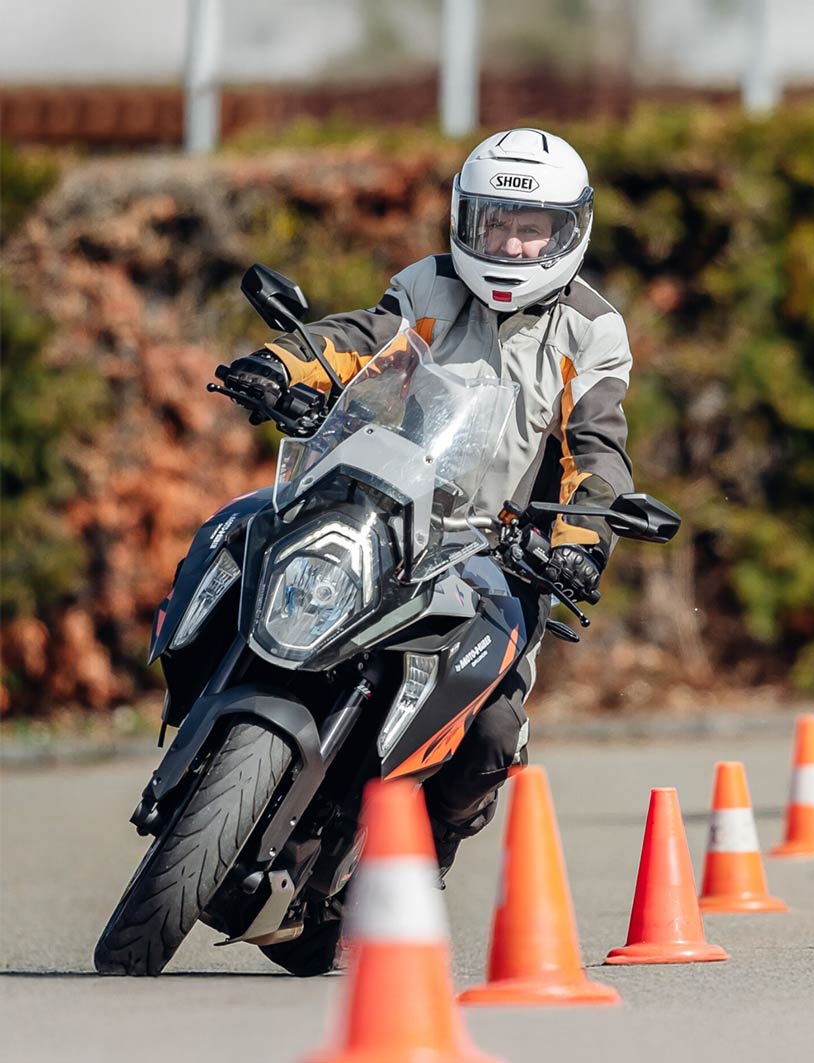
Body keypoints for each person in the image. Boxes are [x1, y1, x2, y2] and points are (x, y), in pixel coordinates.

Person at [215, 127, 633, 873]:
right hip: (384, 510)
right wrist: (284, 367)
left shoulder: (591, 329)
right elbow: (361, 339)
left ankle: (422, 856)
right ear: (464, 218)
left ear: (568, 230)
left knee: (494, 723)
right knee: (237, 534)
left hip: (497, 554)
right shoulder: (430, 286)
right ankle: (199, 731)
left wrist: (577, 544)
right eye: (493, 223)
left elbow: (595, 449)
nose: (507, 245)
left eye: (529, 228)